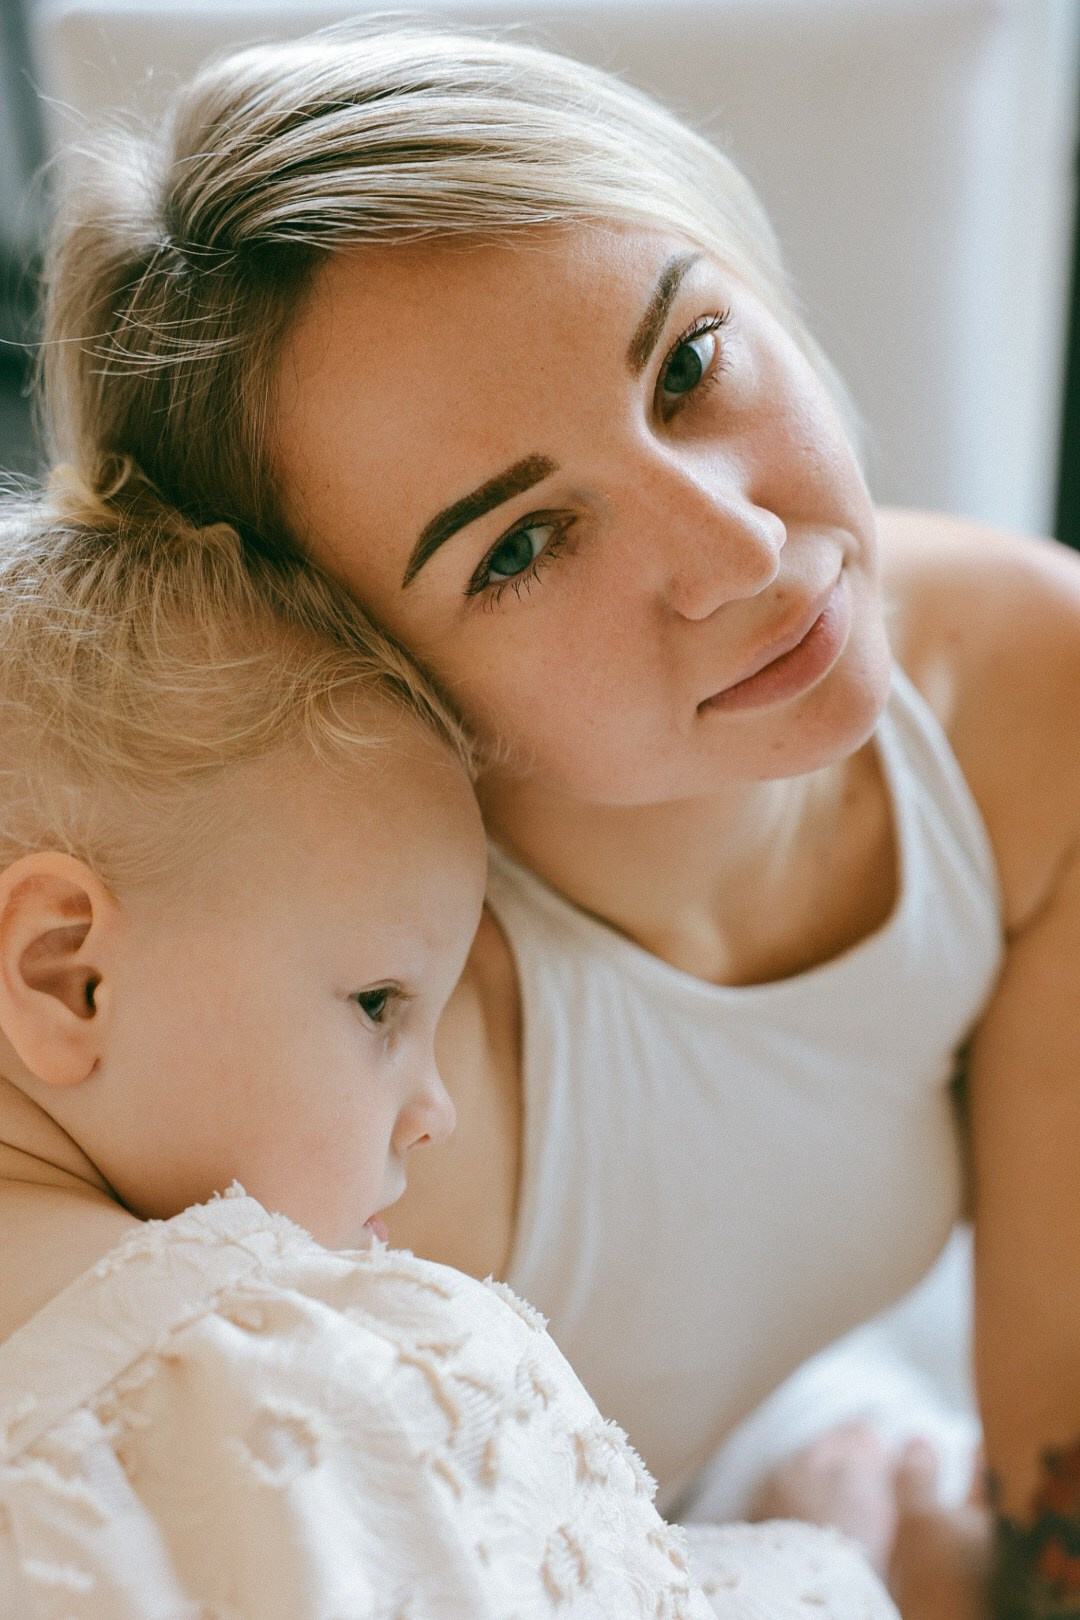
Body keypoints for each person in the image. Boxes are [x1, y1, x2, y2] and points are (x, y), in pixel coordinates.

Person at [38, 23, 1080, 1616]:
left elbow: (1052, 1508)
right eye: (520, 546)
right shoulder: (353, 1081)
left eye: (688, 363)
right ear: (357, 657)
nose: (738, 548)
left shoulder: (1026, 694)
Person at [0, 481, 899, 1618]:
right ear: (65, 975)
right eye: (378, 1004)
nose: (434, 1109)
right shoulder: (317, 1360)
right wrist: (836, 1552)